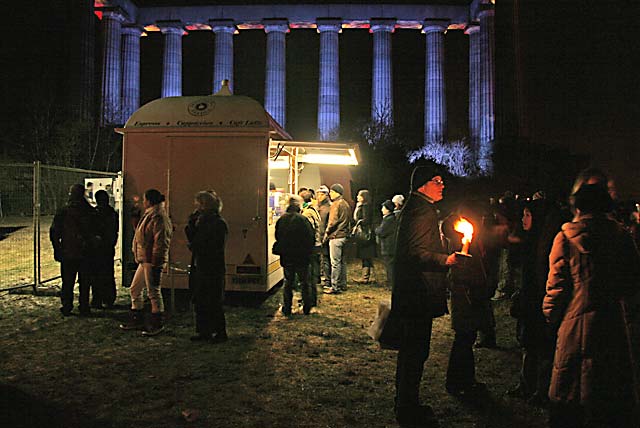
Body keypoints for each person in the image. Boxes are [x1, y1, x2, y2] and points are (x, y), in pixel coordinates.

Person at [544, 182, 640, 428]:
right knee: (608, 396)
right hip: (612, 323)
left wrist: (551, 315)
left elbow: (557, 287)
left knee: (571, 395)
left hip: (576, 323)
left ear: (577, 206)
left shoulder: (566, 238)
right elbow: (632, 283)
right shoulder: (622, 237)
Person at [391, 165, 458, 428]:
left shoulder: (419, 207)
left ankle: (407, 402)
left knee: (413, 352)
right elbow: (414, 252)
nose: (442, 185)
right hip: (416, 295)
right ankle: (407, 407)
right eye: (437, 181)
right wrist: (446, 259)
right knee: (414, 352)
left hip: (414, 294)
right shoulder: (421, 210)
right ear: (422, 185)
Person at [507, 199, 561, 406]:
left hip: (540, 300)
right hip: (529, 300)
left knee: (543, 347)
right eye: (523, 215)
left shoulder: (545, 244)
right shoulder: (529, 240)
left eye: (528, 215)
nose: (523, 219)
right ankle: (526, 384)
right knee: (528, 344)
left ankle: (541, 389)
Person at [441, 202, 491, 399]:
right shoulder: (454, 230)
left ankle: (466, 379)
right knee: (463, 336)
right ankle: (456, 381)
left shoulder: (468, 232)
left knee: (467, 337)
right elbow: (458, 265)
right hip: (464, 290)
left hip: (472, 288)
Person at [119, 189, 172, 336]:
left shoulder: (158, 217)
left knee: (153, 292)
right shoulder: (151, 215)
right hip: (145, 259)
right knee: (135, 289)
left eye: (144, 199)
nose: (143, 202)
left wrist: (156, 261)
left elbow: (161, 241)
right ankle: (138, 318)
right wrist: (135, 220)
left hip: (151, 260)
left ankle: (157, 323)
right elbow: (142, 234)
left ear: (149, 200)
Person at [185, 190, 229, 343]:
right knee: (200, 299)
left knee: (213, 300)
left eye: (198, 203)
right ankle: (204, 331)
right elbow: (193, 237)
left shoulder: (217, 223)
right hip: (201, 265)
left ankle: (219, 332)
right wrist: (191, 224)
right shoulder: (202, 221)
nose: (196, 206)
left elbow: (211, 245)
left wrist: (195, 244)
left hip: (212, 267)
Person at [50, 184, 98, 316]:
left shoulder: (64, 211)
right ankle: (84, 306)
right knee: (85, 281)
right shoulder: (89, 211)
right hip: (86, 252)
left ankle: (67, 306)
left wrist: (57, 248)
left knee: (68, 281)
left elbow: (54, 231)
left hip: (68, 251)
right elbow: (95, 231)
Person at [274, 195, 315, 315]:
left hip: (287, 256)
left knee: (288, 282)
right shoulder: (303, 220)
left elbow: (278, 236)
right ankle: (307, 306)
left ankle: (287, 308)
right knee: (304, 282)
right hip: (302, 256)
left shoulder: (282, 220)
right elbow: (310, 237)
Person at [323, 183, 352, 295]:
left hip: (336, 236)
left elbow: (332, 222)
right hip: (344, 236)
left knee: (335, 263)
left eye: (332, 191)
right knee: (342, 262)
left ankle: (335, 286)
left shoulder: (335, 204)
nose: (330, 194)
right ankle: (343, 284)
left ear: (337, 193)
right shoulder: (345, 204)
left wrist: (326, 233)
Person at [92, 189, 118, 308]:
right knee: (108, 274)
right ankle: (109, 298)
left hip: (97, 249)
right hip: (108, 248)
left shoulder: (95, 213)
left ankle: (97, 299)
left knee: (96, 275)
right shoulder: (112, 213)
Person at [301, 190, 322, 308]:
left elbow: (308, 231)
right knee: (312, 275)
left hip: (311, 247)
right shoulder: (313, 209)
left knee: (309, 276)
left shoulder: (307, 213)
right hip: (316, 245)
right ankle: (312, 299)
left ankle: (310, 300)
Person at [353, 189, 376, 284]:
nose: (357, 197)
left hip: (365, 234)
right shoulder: (365, 206)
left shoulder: (365, 207)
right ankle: (368, 276)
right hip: (365, 234)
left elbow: (363, 219)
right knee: (367, 256)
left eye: (359, 195)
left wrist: (359, 220)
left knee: (365, 256)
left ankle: (365, 277)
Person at [375, 199, 397, 288]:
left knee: (389, 265)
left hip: (388, 246)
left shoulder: (388, 219)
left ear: (388, 209)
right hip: (391, 246)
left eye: (383, 208)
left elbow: (381, 231)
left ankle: (391, 283)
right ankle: (391, 282)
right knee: (390, 265)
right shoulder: (392, 218)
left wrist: (376, 229)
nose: (382, 210)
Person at [316, 185, 332, 288]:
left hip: (325, 237)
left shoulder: (329, 207)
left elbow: (329, 223)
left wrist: (325, 236)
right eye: (318, 194)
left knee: (327, 259)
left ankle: (328, 280)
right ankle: (321, 278)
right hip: (319, 236)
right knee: (320, 259)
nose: (318, 196)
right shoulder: (318, 206)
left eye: (321, 194)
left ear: (326, 195)